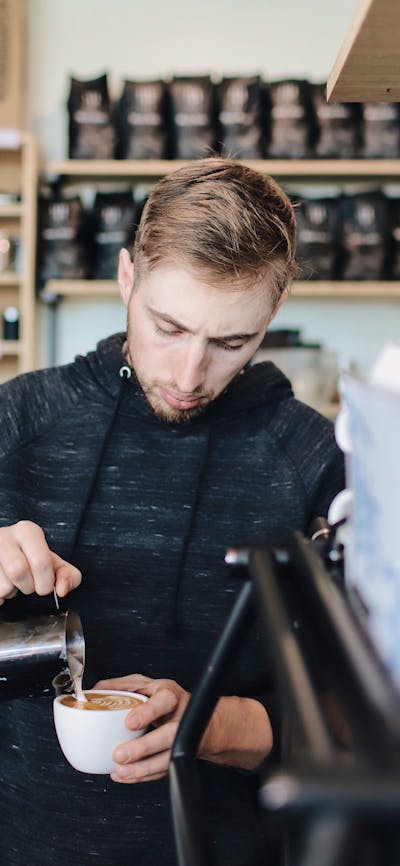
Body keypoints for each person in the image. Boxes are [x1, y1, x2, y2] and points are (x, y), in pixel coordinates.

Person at [0, 157, 344, 866]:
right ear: (127, 278)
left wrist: (216, 726)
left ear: (272, 314)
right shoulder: (19, 418)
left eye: (230, 342)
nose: (190, 376)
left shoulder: (314, 460)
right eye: (168, 326)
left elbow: (354, 723)